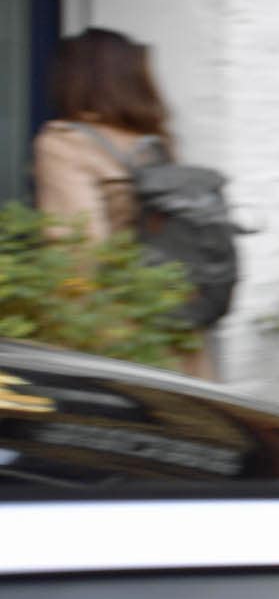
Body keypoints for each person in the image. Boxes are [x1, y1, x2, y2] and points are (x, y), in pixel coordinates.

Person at [33, 27, 213, 380]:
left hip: (114, 341)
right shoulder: (157, 144)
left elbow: (77, 251)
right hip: (176, 329)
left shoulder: (64, 143)